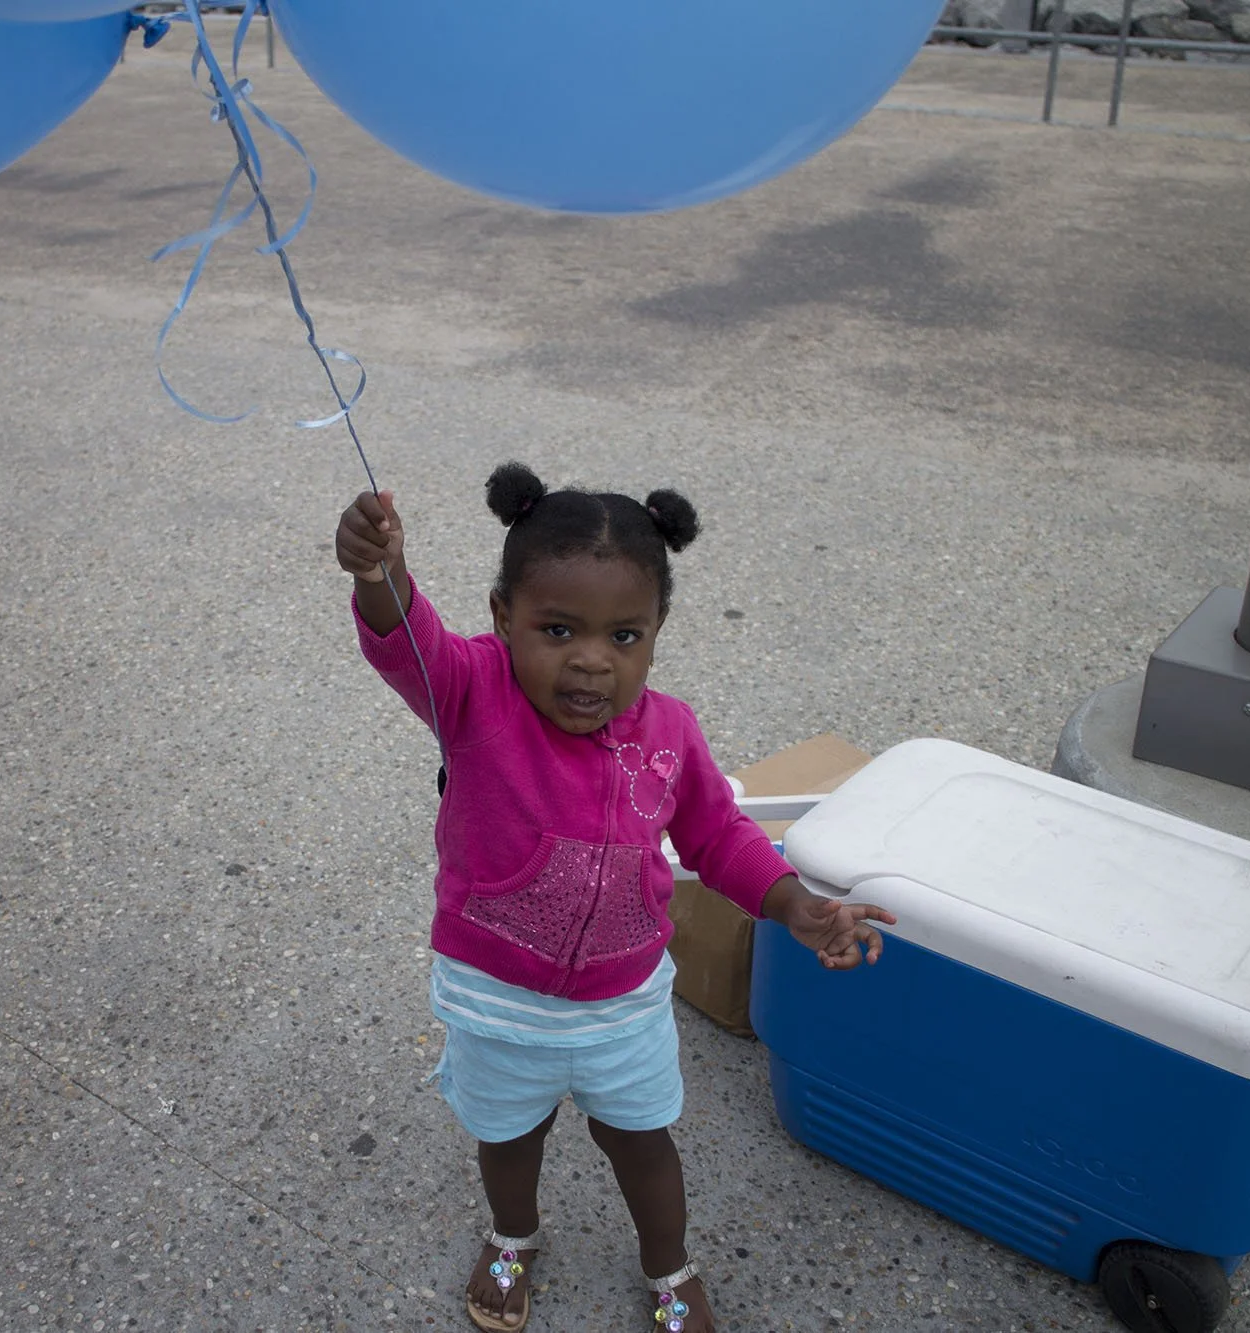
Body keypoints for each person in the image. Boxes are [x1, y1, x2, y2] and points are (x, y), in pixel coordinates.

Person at [335, 462, 896, 1333]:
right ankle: (513, 1235)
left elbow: (719, 836)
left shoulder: (669, 731)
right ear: (501, 619)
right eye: (556, 628)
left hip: (622, 1006)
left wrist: (792, 903)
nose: (591, 660)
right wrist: (381, 574)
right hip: (500, 999)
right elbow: (407, 639)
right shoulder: (472, 691)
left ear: (657, 631)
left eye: (624, 636)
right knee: (509, 1139)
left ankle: (670, 1270)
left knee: (642, 1142)